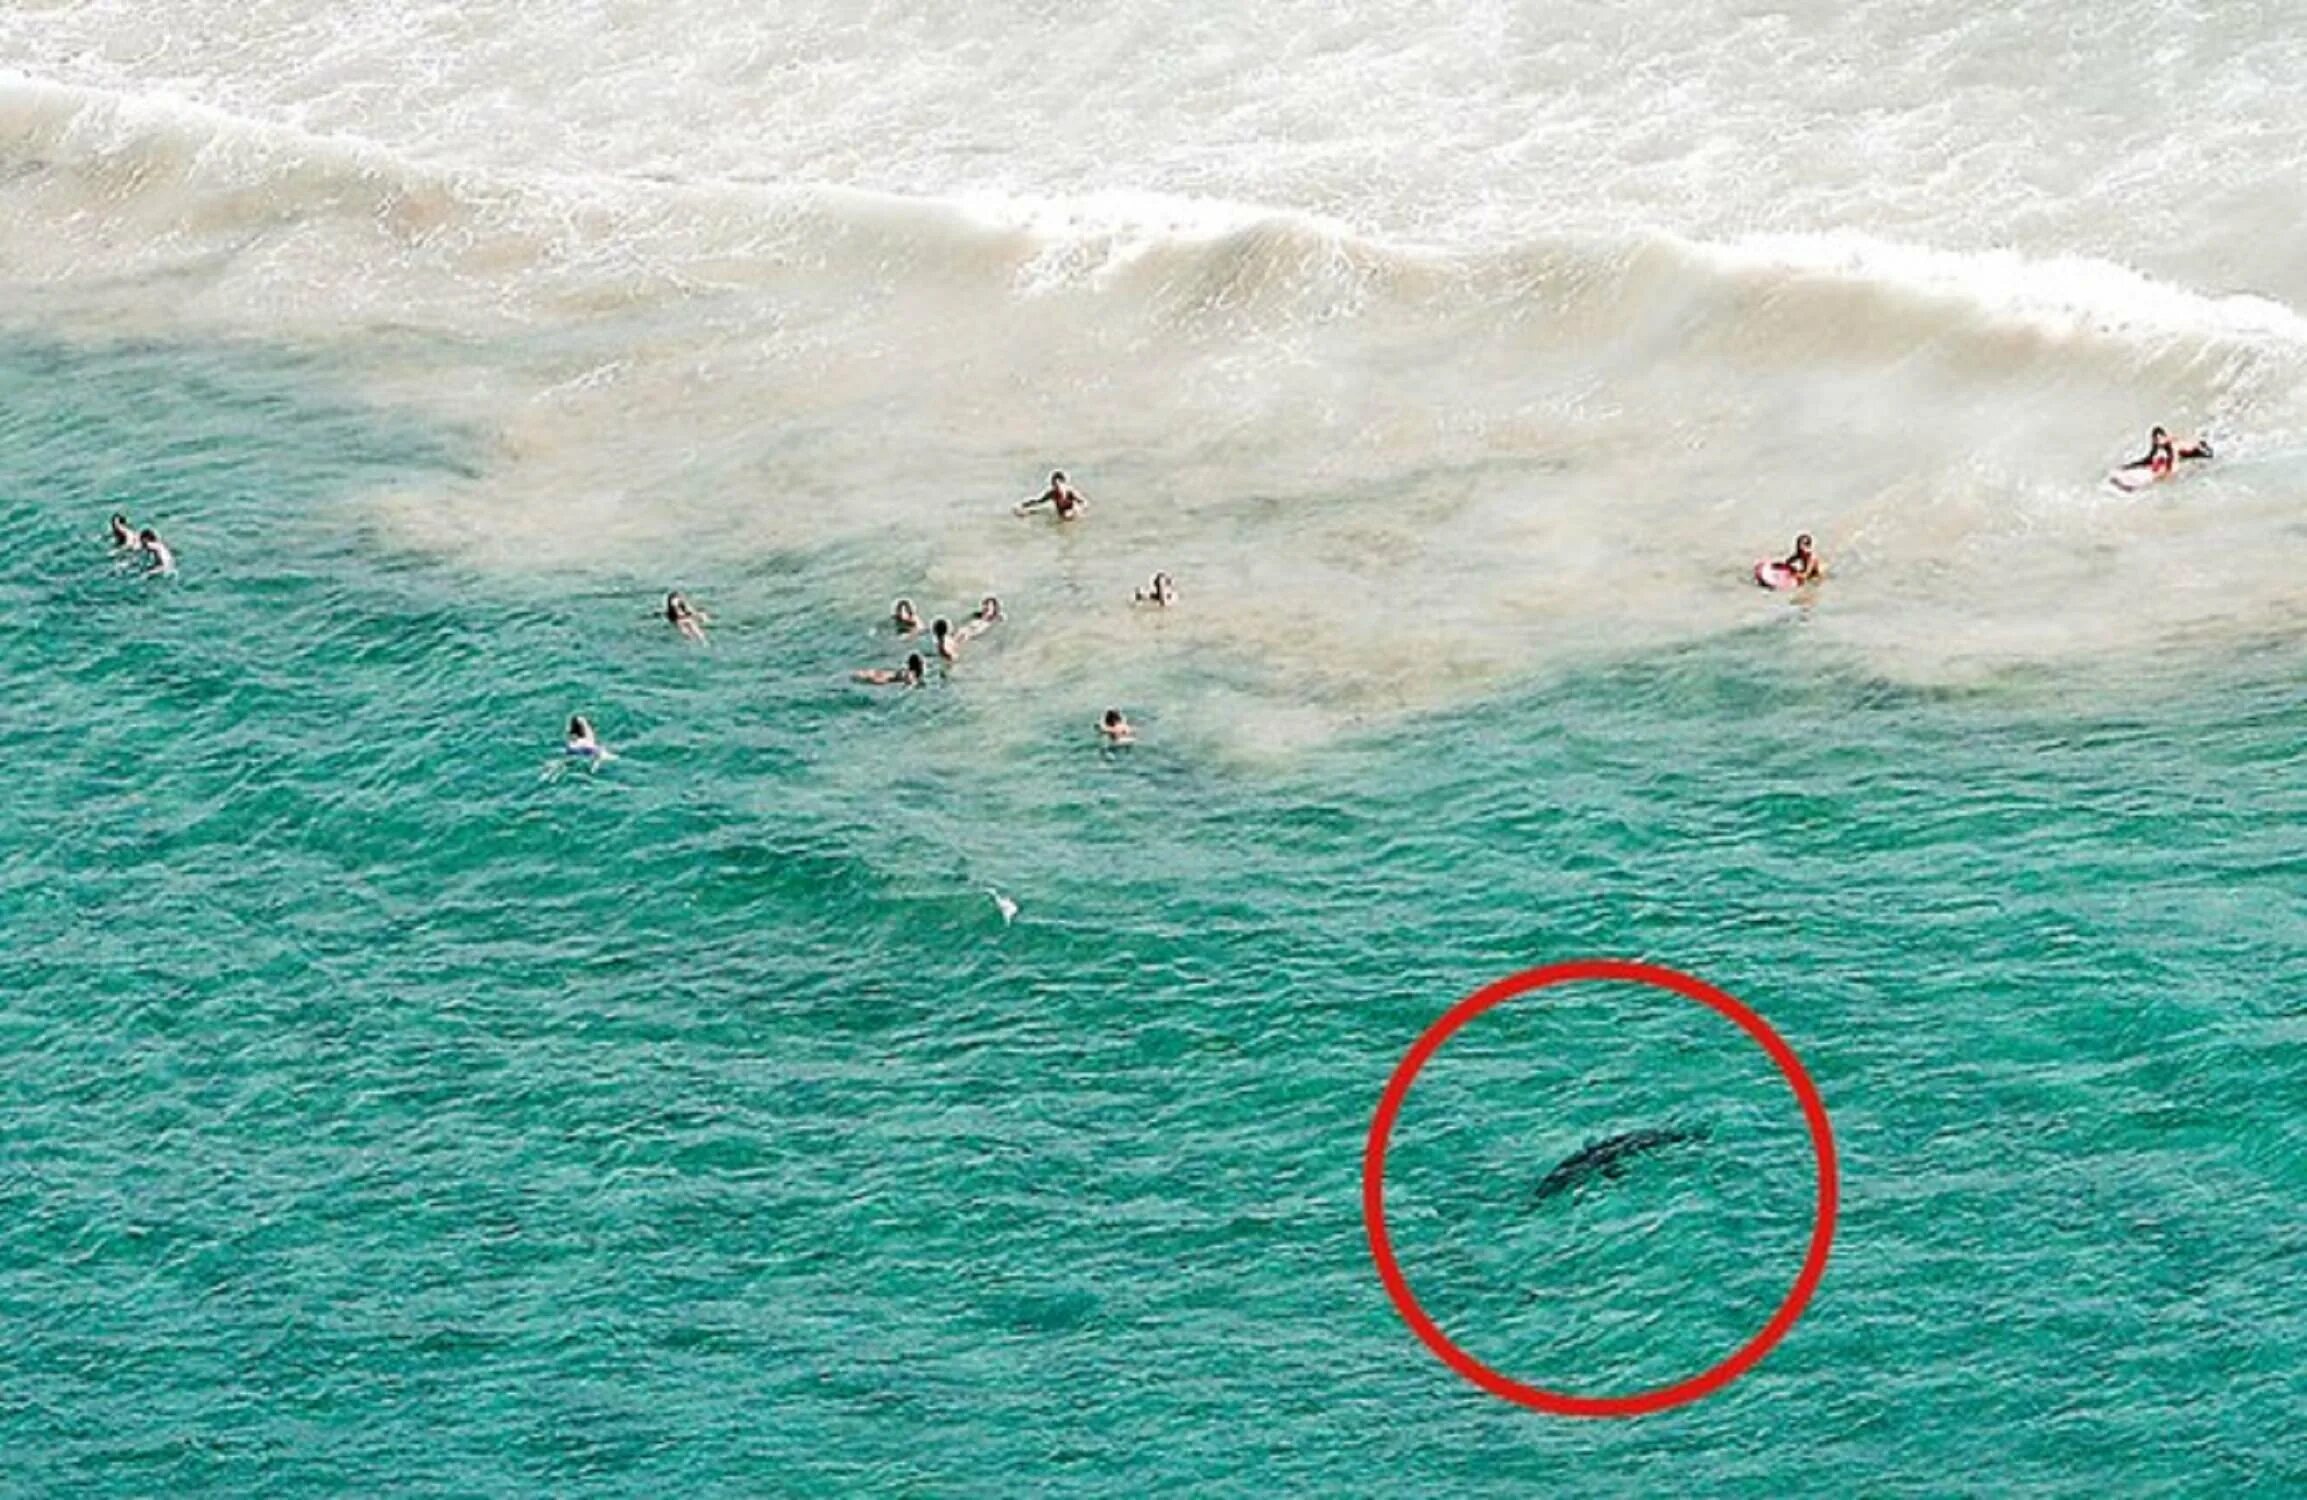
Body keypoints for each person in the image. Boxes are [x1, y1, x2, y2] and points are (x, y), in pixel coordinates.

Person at [2130, 425, 2213, 477]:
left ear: (2165, 437)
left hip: (2201, 451)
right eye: (2155, 439)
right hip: (2185, 454)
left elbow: (2174, 466)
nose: (2158, 441)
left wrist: (2163, 476)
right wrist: (2130, 466)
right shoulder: (2158, 444)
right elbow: (2148, 459)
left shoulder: (2173, 446)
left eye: (2159, 439)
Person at [1015, 469, 1088, 520]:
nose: (1056, 486)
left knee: (1068, 515)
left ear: (1063, 482)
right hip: (1061, 515)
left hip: (1073, 515)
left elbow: (1084, 502)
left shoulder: (1070, 491)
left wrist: (1076, 511)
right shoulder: (1052, 492)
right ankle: (1022, 512)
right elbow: (1038, 500)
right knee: (1035, 512)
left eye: (1058, 483)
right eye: (1054, 484)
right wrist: (1023, 504)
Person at [855, 652, 927, 687]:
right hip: (886, 678)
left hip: (886, 673)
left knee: (862, 675)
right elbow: (912, 683)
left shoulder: (907, 669)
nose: (923, 664)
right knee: (868, 680)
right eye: (921, 663)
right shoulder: (913, 674)